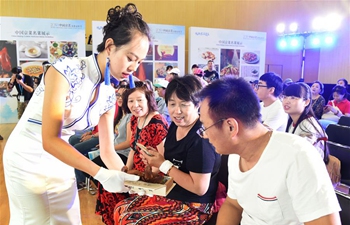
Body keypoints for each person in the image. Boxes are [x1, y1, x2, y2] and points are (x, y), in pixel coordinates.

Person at [3, 3, 149, 224]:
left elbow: (108, 151)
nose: (134, 67)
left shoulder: (109, 94)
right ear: (110, 46)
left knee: (67, 220)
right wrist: (100, 174)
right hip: (27, 156)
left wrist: (130, 180)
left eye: (139, 61)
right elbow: (49, 139)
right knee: (34, 220)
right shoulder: (65, 71)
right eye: (130, 57)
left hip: (61, 157)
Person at [197, 77, 341, 225]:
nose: (204, 135)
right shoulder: (236, 154)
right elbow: (233, 204)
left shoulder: (297, 156)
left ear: (231, 127)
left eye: (205, 127)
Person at [114, 75, 221, 224]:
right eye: (172, 104)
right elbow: (169, 161)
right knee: (121, 208)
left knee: (132, 220)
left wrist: (163, 164)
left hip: (194, 205)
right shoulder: (175, 126)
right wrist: (153, 159)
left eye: (184, 104)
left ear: (198, 105)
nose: (177, 111)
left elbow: (199, 188)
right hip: (171, 191)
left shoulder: (201, 138)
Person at [97, 80, 168, 225]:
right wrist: (126, 170)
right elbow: (133, 150)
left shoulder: (157, 122)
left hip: (151, 176)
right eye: (131, 101)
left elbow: (162, 158)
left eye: (139, 100)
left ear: (148, 100)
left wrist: (146, 178)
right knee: (106, 185)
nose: (135, 105)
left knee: (112, 191)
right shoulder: (136, 120)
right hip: (136, 173)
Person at [282, 82, 328, 160]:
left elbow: (301, 156)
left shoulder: (307, 125)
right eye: (285, 97)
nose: (287, 101)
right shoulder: (293, 120)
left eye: (293, 97)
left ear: (306, 102)